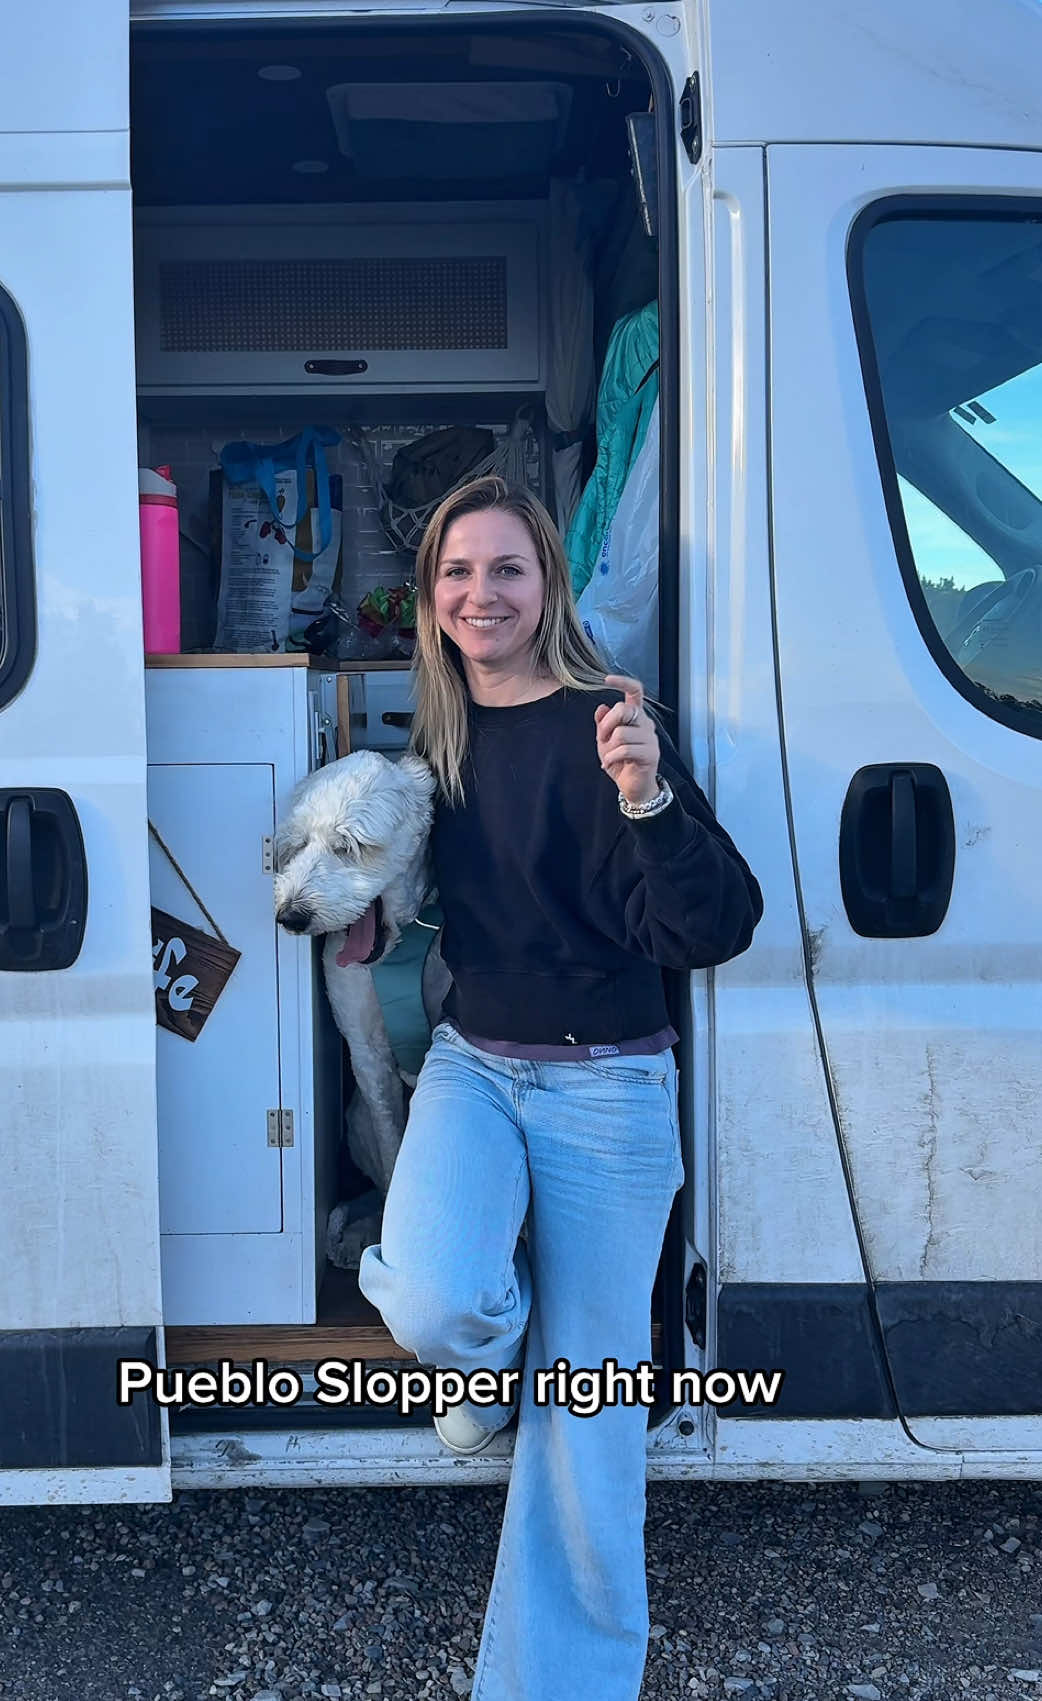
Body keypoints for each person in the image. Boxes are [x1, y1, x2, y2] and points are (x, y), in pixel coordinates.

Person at [357, 476, 763, 1701]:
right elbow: (448, 898)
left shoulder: (613, 722)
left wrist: (647, 799)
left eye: (507, 570)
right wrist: (379, 917)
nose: (482, 593)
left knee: (586, 1441)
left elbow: (714, 926)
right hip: (475, 1070)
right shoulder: (429, 745)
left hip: (608, 1091)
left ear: (549, 587)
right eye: (457, 573)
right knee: (430, 1301)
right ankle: (505, 1366)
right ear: (431, 601)